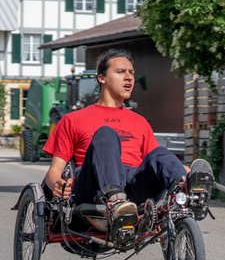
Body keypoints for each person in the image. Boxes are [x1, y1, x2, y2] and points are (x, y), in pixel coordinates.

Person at [43, 49, 187, 224]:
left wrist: (179, 169)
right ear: (101, 78)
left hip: (133, 185)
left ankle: (186, 189)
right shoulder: (72, 120)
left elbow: (154, 163)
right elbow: (54, 171)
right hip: (93, 184)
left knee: (160, 153)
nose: (129, 77)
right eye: (120, 72)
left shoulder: (140, 122)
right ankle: (115, 199)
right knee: (106, 134)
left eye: (131, 73)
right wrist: (57, 185)